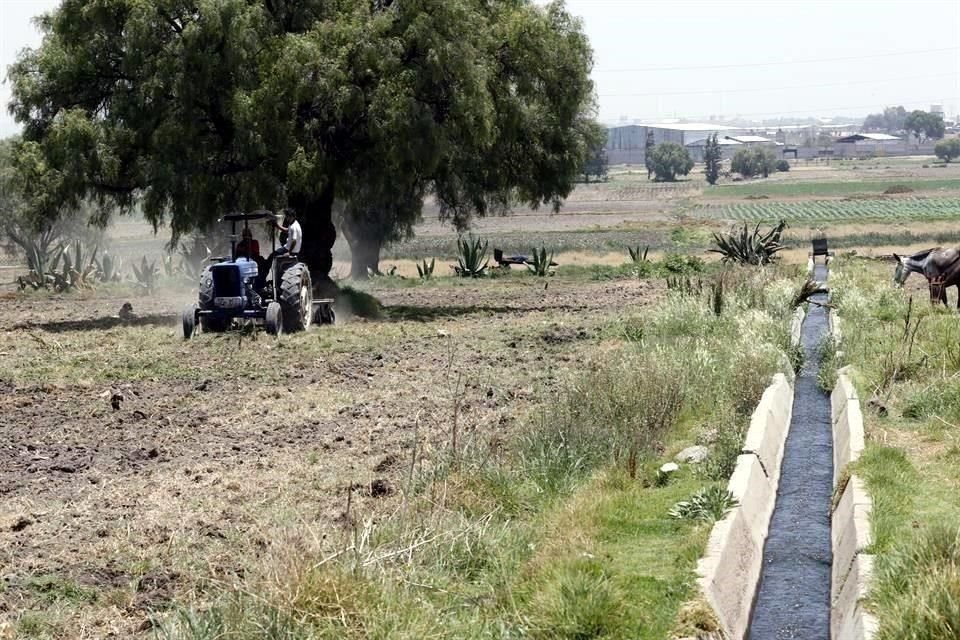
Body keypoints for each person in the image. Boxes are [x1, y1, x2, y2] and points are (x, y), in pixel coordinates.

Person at [259, 208, 302, 288]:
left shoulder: (294, 227)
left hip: (289, 250)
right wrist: (277, 226)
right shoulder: (294, 224)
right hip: (289, 248)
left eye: (288, 216)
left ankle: (262, 278)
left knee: (271, 256)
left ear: (292, 216)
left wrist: (289, 252)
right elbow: (287, 231)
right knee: (272, 256)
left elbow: (294, 240)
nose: (286, 218)